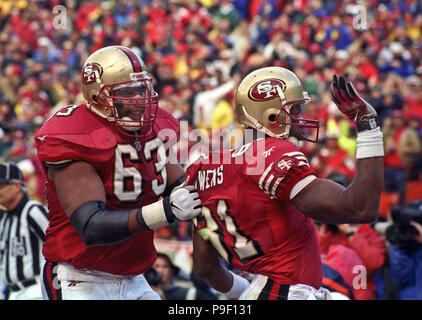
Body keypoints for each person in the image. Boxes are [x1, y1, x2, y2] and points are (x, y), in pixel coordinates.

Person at [188, 67, 385, 300]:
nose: (300, 118)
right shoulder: (273, 154)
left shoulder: (206, 166)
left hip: (266, 291)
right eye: (295, 110)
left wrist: (251, 294)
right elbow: (360, 208)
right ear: (272, 118)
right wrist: (367, 126)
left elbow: (205, 268)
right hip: (287, 290)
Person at [34, 46, 201, 300]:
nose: (138, 101)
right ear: (97, 97)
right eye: (127, 93)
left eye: (141, 89)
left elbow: (179, 183)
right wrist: (165, 211)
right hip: (79, 278)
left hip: (134, 277)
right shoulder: (77, 134)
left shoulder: (152, 128)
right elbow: (90, 226)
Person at [0, 162, 48, 300]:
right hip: (12, 292)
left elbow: (57, 244)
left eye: (1, 186)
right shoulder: (5, 218)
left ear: (16, 185)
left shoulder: (33, 210)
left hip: (35, 290)